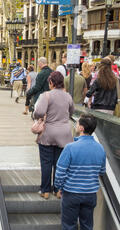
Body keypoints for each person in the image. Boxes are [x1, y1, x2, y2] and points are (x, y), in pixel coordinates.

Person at [55, 114, 106, 230]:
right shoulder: (100, 149)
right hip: (90, 195)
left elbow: (60, 172)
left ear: (82, 128)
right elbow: (101, 171)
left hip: (71, 194)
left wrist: (59, 188)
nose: (76, 124)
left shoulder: (70, 148)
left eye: (77, 123)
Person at [33, 71, 74, 200]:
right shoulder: (68, 96)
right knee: (60, 164)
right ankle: (58, 190)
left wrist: (38, 116)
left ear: (51, 83)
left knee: (46, 163)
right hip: (65, 134)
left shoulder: (46, 95)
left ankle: (45, 191)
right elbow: (72, 111)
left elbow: (38, 112)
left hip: (48, 133)